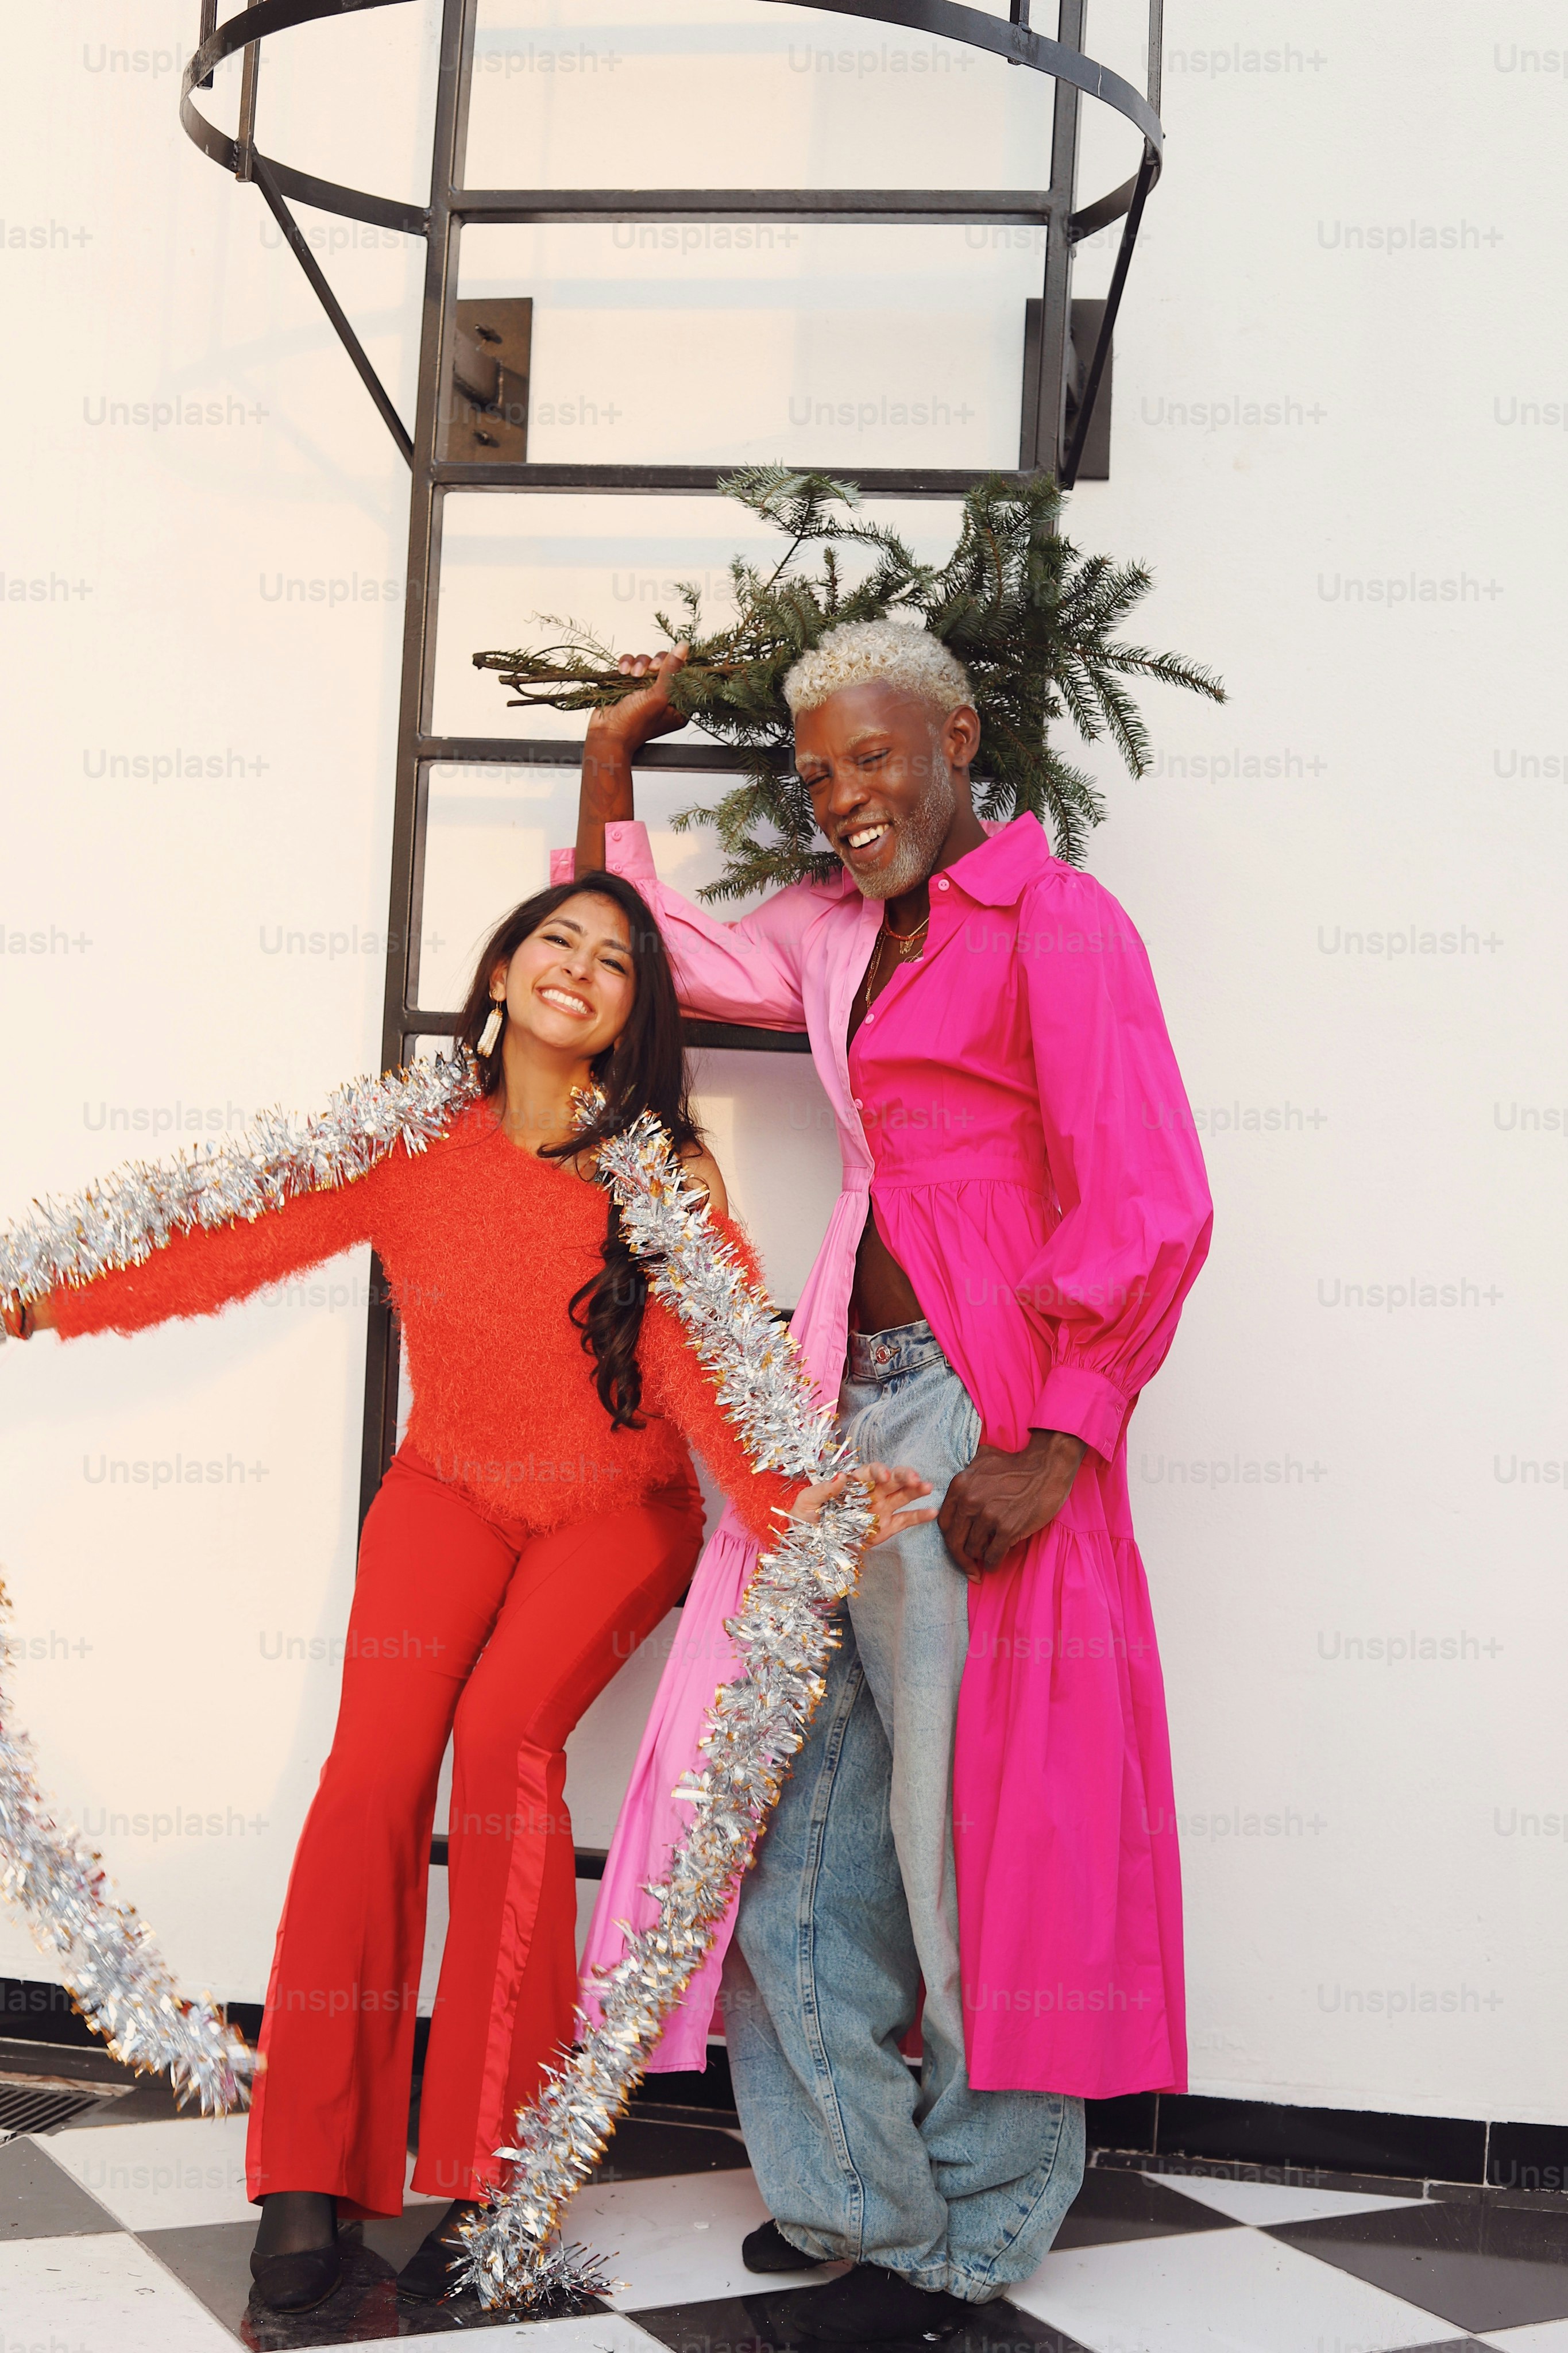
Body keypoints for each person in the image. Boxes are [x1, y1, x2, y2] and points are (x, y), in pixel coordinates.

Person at [1, 870, 934, 2317]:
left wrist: (805, 1508)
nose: (581, 966)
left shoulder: (656, 1170)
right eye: (556, 938)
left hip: (616, 1512)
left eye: (617, 959)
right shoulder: (410, 1135)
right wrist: (46, 1294)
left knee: (505, 1743)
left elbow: (716, 1373)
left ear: (633, 1012)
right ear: (499, 973)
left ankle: (500, 2172)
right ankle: (305, 2175)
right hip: (449, 1485)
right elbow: (235, 1233)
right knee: (372, 1773)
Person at [565, 624, 1214, 2344]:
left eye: (874, 759)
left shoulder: (1056, 925)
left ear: (957, 735)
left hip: (975, 1418)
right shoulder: (839, 933)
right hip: (828, 1413)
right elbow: (672, 960)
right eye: (819, 774)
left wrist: (1054, 1437)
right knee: (790, 1820)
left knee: (966, 1837)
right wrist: (614, 762)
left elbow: (1147, 1196)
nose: (845, 799)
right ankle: (852, 2187)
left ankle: (989, 2210)